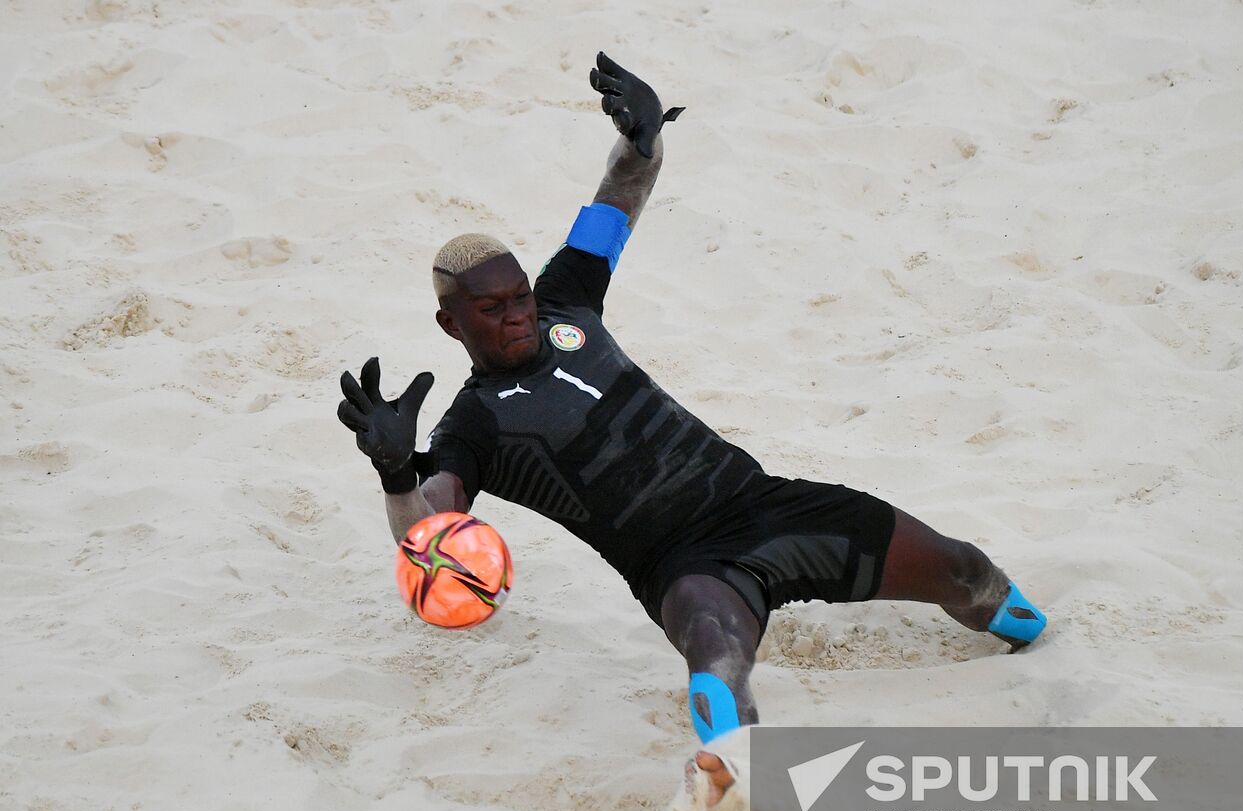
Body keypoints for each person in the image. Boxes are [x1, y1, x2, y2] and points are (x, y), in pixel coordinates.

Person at [337, 52, 1046, 745]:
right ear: (450, 324)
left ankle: (1033, 637)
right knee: (716, 657)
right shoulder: (475, 424)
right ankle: (740, 785)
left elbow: (615, 203)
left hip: (766, 504)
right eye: (492, 309)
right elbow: (426, 540)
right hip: (683, 566)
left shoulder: (566, 299)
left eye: (519, 295)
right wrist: (396, 472)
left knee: (961, 568)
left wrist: (641, 138)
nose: (518, 313)